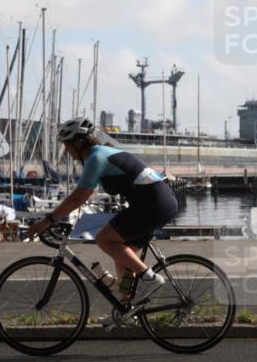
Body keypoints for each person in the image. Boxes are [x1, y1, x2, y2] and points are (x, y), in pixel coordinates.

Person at [26, 117, 178, 308]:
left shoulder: (96, 157)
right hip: (158, 201)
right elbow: (85, 195)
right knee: (123, 254)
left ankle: (150, 278)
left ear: (79, 142)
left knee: (105, 239)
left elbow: (78, 197)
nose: (66, 150)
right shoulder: (103, 153)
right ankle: (126, 308)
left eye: (67, 145)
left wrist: (47, 220)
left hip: (153, 203)